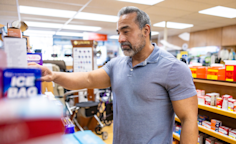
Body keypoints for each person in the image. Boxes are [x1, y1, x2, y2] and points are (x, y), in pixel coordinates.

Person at [29, 6, 198, 144]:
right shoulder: (117, 65)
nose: (120, 38)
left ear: (145, 30)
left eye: (126, 31)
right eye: (118, 32)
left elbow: (188, 120)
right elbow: (87, 79)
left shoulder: (174, 68)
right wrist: (54, 76)